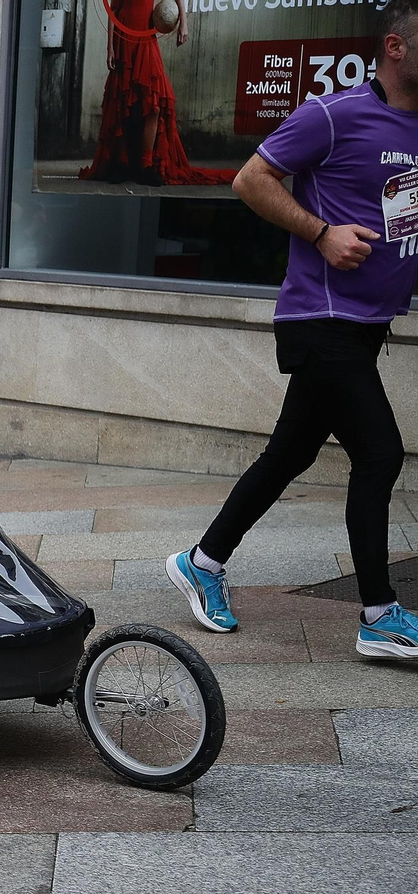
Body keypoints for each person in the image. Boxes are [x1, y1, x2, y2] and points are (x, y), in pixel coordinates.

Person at [166, 0, 418, 659]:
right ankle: (379, 615)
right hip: (320, 320)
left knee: (290, 453)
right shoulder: (333, 115)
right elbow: (252, 179)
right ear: (395, 47)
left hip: (365, 325)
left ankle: (203, 561)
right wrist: (321, 232)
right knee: (381, 452)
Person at [79, 0, 234, 187]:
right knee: (122, 100)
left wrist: (183, 23)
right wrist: (110, 47)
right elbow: (113, 11)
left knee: (153, 106)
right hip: (123, 38)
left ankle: (146, 165)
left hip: (145, 37)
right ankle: (122, 163)